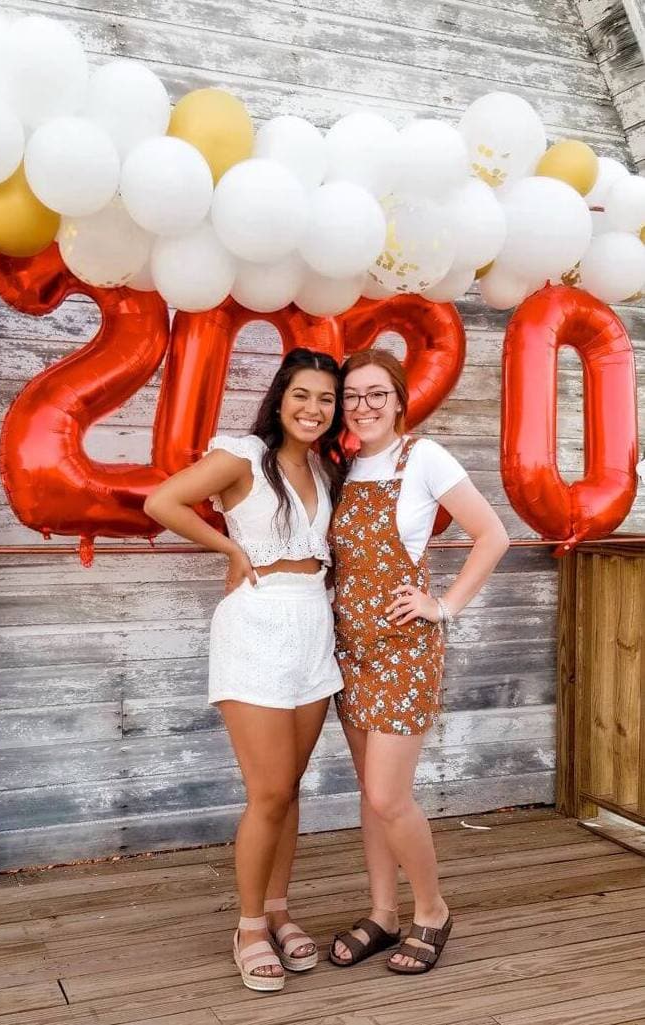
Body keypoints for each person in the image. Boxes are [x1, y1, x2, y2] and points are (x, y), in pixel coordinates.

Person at [144, 348, 345, 994]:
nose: (314, 409)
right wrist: (229, 546)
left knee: (289, 787)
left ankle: (280, 909)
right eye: (303, 395)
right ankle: (250, 925)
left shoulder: (321, 466)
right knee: (267, 791)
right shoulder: (244, 456)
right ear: (280, 398)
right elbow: (164, 500)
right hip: (257, 624)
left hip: (313, 624)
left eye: (326, 399)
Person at [328, 349, 509, 976]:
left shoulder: (423, 457)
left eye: (377, 394)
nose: (364, 407)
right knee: (369, 795)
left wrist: (444, 605)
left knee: (388, 793)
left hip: (404, 649)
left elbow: (493, 535)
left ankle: (430, 910)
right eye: (352, 396)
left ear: (400, 400)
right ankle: (382, 913)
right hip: (349, 647)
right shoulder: (344, 466)